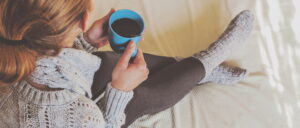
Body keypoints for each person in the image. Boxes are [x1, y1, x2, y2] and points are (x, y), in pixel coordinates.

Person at [0, 0, 254, 127]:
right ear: (82, 18)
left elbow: (50, 57)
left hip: (72, 86)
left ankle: (199, 70)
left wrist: (86, 41)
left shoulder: (12, 46)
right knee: (142, 96)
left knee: (108, 60)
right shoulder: (81, 116)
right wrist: (119, 91)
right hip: (98, 114)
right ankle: (209, 59)